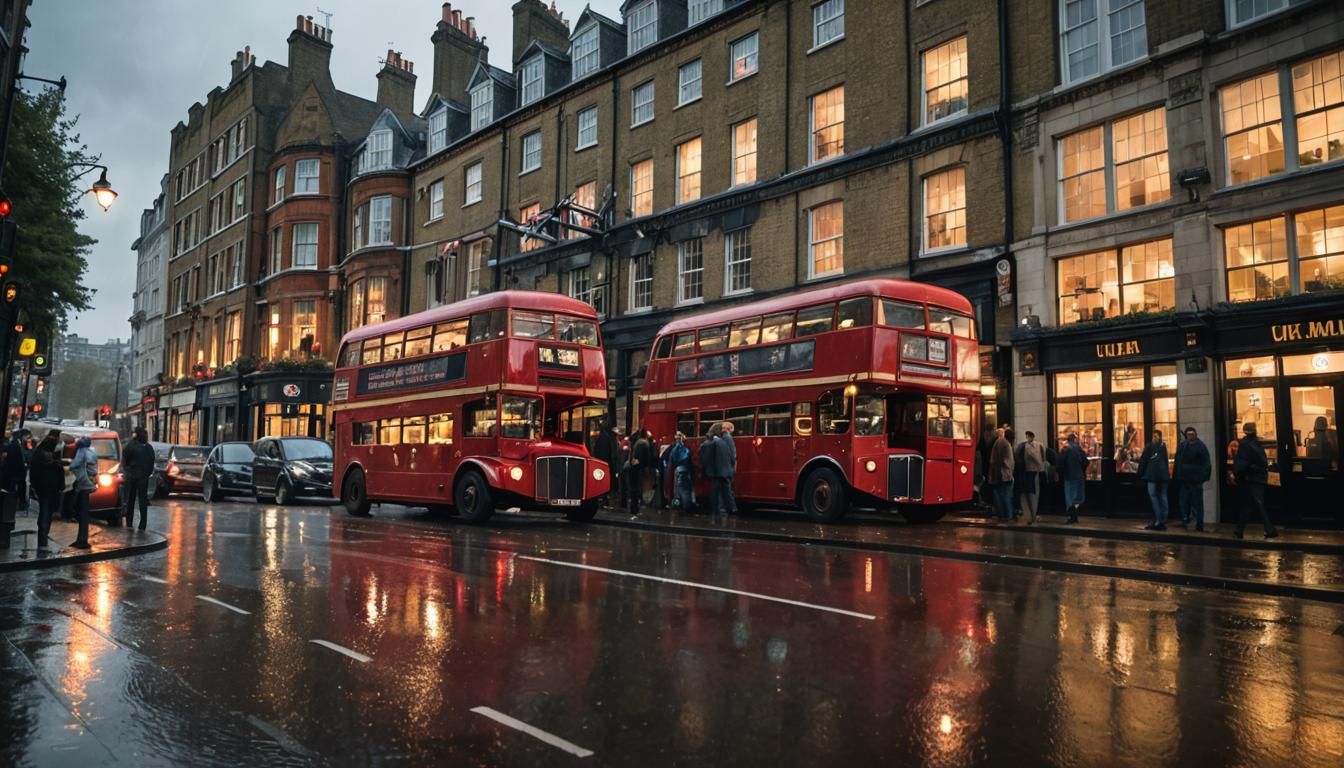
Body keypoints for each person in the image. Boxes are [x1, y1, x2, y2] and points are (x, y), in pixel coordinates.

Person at [1231, 422, 1278, 539]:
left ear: (1244, 431)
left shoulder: (1245, 444)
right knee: (1251, 504)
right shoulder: (1257, 443)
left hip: (1249, 478)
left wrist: (1237, 473)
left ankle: (1269, 529)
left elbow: (1243, 463)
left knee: (1254, 504)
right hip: (1258, 477)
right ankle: (1239, 530)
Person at [29, 431, 65, 550]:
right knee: (46, 512)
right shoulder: (48, 457)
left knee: (45, 511)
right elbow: (58, 472)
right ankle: (43, 540)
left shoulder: (39, 454)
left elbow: (33, 472)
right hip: (49, 488)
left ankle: (43, 539)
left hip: (42, 488)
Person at [1173, 426, 1211, 531]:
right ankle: (1187, 520)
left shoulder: (1200, 446)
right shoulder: (1183, 446)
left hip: (1195, 480)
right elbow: (1178, 462)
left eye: (1192, 434)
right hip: (1185, 479)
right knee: (1184, 501)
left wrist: (1202, 477)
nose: (1190, 436)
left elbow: (1206, 463)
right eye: (1188, 434)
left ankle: (1197, 523)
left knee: (1196, 503)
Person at [121, 426, 155, 530]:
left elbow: (125, 460)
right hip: (143, 477)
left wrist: (128, 471)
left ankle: (129, 522)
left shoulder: (130, 446)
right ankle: (142, 524)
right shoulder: (149, 448)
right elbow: (151, 463)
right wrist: (146, 474)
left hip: (132, 477)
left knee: (130, 500)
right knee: (142, 501)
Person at [1137, 429, 1170, 530]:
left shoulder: (1150, 446)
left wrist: (1139, 474)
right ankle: (1163, 519)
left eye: (1155, 436)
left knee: (1153, 495)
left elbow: (1143, 460)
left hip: (1152, 475)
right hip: (1163, 475)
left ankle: (1158, 520)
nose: (1154, 438)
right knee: (1163, 495)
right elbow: (1165, 461)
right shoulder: (1163, 446)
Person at [69, 436, 98, 549]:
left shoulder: (82, 451)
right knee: (84, 512)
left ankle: (82, 540)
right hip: (89, 483)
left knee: (81, 511)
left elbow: (75, 464)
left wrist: (69, 466)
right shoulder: (93, 451)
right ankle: (82, 539)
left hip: (83, 484)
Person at [1014, 431, 1045, 524]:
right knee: (1032, 493)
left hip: (1030, 471)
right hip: (1032, 471)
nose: (1027, 438)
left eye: (1028, 437)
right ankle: (1032, 516)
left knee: (1030, 493)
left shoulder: (1026, 446)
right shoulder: (1036, 445)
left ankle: (1031, 516)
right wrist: (1041, 467)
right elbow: (1041, 457)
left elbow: (1036, 457)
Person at [1058, 433, 1088, 523]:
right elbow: (1086, 462)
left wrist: (1060, 472)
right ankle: (1075, 516)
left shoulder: (1066, 450)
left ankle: (1072, 517)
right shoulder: (1079, 450)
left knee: (1070, 497)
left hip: (1070, 477)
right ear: (1075, 440)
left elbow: (1060, 464)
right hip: (1080, 476)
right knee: (1078, 497)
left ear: (1068, 441)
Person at [625, 429, 654, 517]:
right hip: (638, 469)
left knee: (633, 489)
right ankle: (635, 510)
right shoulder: (644, 443)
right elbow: (647, 458)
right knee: (637, 489)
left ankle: (633, 509)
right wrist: (647, 468)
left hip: (633, 467)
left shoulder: (637, 442)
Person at [591, 421, 619, 509]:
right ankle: (604, 499)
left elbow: (597, 450)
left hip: (601, 462)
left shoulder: (601, 438)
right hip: (605, 463)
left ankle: (603, 499)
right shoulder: (607, 438)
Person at [989, 428, 1015, 521]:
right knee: (1006, 495)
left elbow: (993, 459)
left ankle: (1001, 514)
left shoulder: (998, 442)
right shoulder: (1006, 444)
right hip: (1005, 474)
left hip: (996, 473)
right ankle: (1007, 515)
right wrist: (1010, 473)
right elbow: (1008, 461)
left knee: (998, 494)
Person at [715, 421, 739, 515]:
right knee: (727, 489)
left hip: (721, 468)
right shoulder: (728, 438)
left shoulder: (720, 439)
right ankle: (729, 508)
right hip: (727, 468)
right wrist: (733, 466)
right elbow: (733, 454)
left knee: (722, 489)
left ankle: (723, 508)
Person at [668, 432, 695, 512]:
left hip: (677, 469)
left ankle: (678, 503)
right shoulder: (685, 449)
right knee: (685, 489)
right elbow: (687, 458)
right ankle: (686, 505)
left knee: (678, 488)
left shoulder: (673, 449)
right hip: (685, 469)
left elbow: (671, 460)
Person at [700, 424, 722, 516]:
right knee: (721, 492)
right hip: (721, 470)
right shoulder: (723, 442)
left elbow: (705, 459)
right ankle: (720, 510)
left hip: (712, 471)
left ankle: (715, 510)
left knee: (714, 492)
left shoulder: (706, 444)